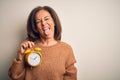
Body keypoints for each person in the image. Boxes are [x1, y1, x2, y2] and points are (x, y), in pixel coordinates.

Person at [8, 6, 77, 80]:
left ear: (54, 22)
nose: (43, 23)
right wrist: (20, 55)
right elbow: (14, 76)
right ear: (36, 28)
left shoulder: (66, 49)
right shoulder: (28, 48)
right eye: (38, 21)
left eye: (46, 19)